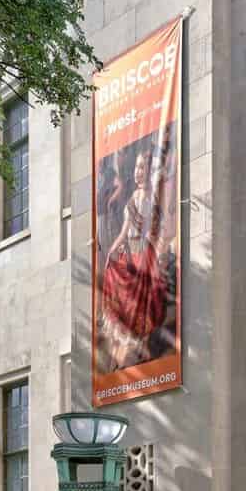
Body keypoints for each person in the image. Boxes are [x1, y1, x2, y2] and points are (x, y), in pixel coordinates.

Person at [100, 146, 170, 371]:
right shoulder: (133, 197)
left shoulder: (153, 198)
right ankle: (124, 354)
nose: (138, 172)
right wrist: (113, 249)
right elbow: (124, 232)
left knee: (141, 305)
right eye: (137, 167)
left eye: (143, 167)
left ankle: (139, 351)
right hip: (130, 252)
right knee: (124, 300)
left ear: (150, 170)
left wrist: (157, 251)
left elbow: (158, 230)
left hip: (144, 255)